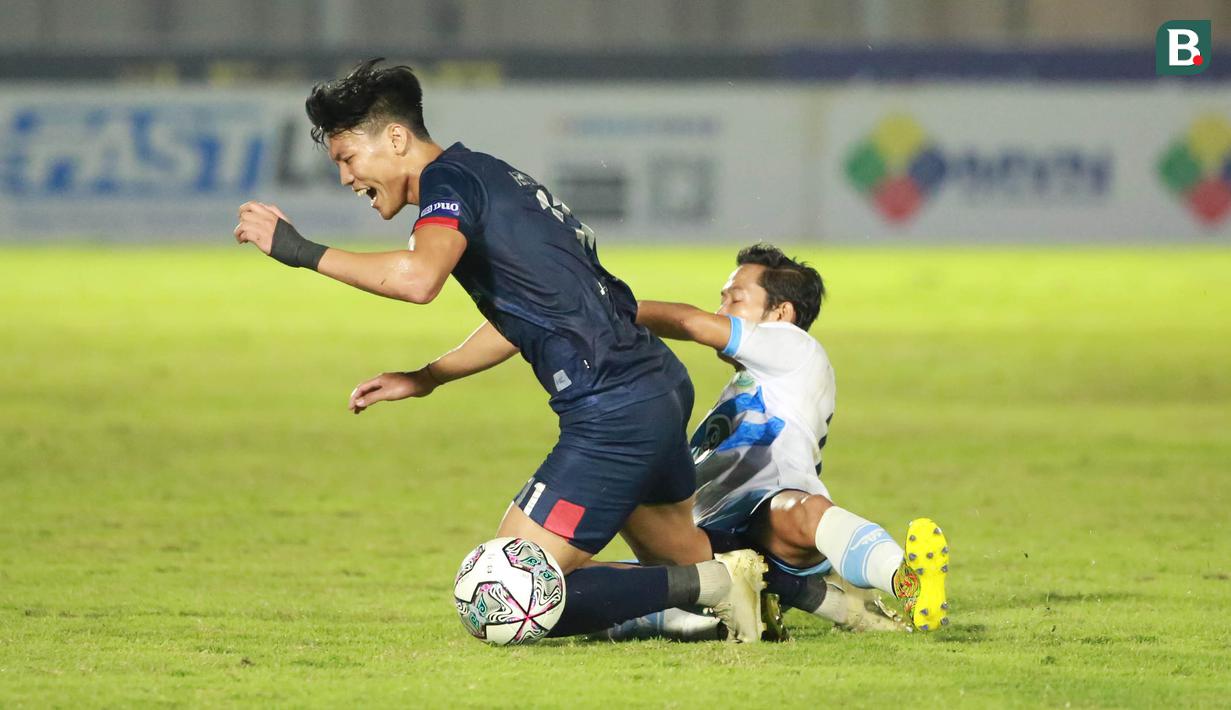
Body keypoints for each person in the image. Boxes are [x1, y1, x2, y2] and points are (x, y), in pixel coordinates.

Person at [232, 58, 766, 643]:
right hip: (653, 383)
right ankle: (768, 585)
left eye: (347, 158)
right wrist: (429, 376)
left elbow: (419, 279)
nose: (344, 177)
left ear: (396, 139)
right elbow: (524, 317)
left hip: (612, 406)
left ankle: (717, 584)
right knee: (682, 562)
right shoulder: (488, 174)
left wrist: (298, 250)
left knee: (505, 590)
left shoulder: (448, 182)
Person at [631, 244, 950, 634]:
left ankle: (904, 578)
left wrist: (612, 309)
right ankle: (831, 606)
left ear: (781, 313)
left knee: (796, 511)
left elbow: (690, 323)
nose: (721, 310)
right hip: (714, 540)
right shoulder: (754, 382)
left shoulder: (790, 344)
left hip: (765, 523)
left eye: (735, 299)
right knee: (620, 581)